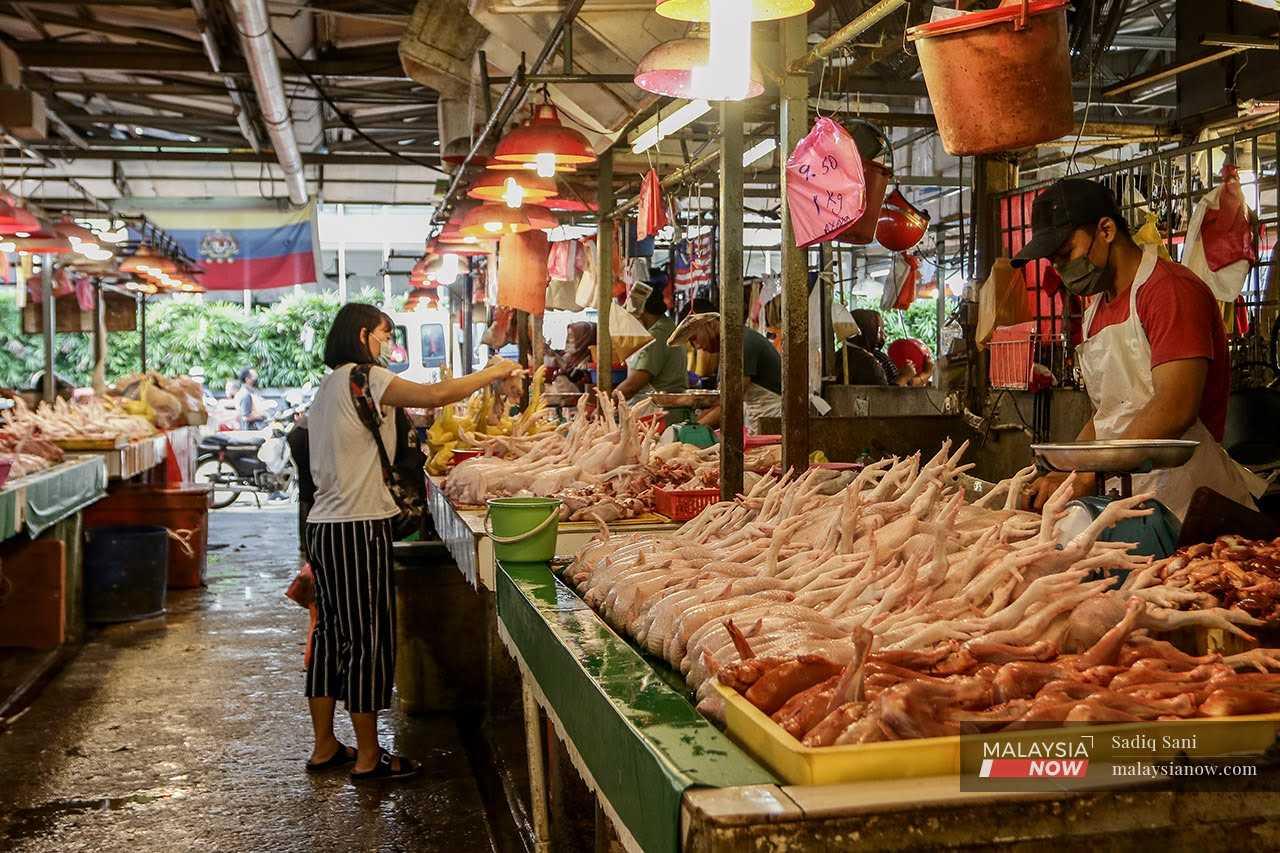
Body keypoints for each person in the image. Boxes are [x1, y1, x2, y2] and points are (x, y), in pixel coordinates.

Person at [303, 303, 521, 782]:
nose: (386, 345)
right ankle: (367, 756)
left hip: (323, 526)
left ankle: (324, 745)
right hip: (359, 526)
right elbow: (437, 394)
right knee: (366, 640)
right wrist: (493, 371)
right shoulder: (367, 375)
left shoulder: (327, 387)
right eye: (384, 335)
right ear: (364, 335)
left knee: (329, 635)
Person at [1016, 178, 1263, 520]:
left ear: (1105, 230)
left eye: (1065, 255)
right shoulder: (1094, 313)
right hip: (1131, 498)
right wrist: (1070, 472)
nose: (1060, 270)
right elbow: (1108, 415)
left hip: (1190, 506)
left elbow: (1175, 408)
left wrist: (1089, 474)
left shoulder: (1169, 291)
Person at [682, 298, 784, 434]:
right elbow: (722, 400)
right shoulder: (728, 346)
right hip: (759, 420)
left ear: (710, 323)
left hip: (776, 421)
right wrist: (692, 425)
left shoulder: (741, 343)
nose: (696, 346)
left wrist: (692, 430)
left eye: (694, 338)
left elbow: (731, 402)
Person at [615, 283, 689, 401]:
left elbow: (632, 386)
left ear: (639, 308)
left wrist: (607, 402)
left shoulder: (656, 335)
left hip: (658, 412)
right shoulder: (666, 326)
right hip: (661, 411)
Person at [848, 310, 917, 387]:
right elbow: (885, 396)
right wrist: (904, 377)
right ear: (870, 330)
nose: (884, 335)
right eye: (880, 330)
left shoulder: (840, 356)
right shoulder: (868, 362)